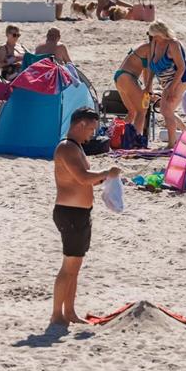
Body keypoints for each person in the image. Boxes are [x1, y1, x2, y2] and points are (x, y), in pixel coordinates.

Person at [50, 107, 121, 326]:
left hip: (80, 212)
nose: (92, 133)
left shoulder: (76, 147)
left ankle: (69, 312)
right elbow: (82, 178)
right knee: (68, 266)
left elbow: (86, 179)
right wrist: (106, 173)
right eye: (90, 128)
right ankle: (56, 314)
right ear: (80, 124)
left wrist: (105, 179)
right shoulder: (66, 148)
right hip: (70, 212)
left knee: (75, 267)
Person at [142, 22, 186, 149]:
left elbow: (181, 68)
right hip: (166, 82)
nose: (154, 39)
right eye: (152, 36)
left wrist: (171, 88)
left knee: (166, 110)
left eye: (156, 36)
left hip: (181, 78)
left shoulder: (173, 44)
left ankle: (172, 144)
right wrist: (148, 85)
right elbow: (151, 67)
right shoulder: (154, 43)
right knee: (167, 110)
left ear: (163, 34)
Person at [112, 38, 151, 134]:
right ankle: (136, 139)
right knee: (141, 111)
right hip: (128, 77)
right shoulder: (150, 48)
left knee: (132, 112)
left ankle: (116, 135)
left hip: (120, 76)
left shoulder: (142, 45)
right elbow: (147, 71)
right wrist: (148, 89)